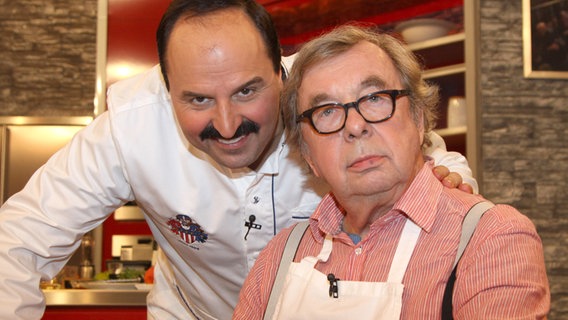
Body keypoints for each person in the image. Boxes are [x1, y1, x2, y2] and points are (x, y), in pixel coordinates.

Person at [0, 1, 476, 319]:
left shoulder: (324, 104)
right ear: (167, 93)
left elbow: (429, 162)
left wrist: (449, 182)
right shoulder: (129, 127)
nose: (227, 126)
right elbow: (18, 239)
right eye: (198, 100)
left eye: (248, 90)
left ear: (281, 73)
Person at [234, 25, 550, 319]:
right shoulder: (279, 257)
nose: (355, 126)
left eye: (374, 98)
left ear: (419, 118)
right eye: (326, 111)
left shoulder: (490, 240)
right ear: (308, 155)